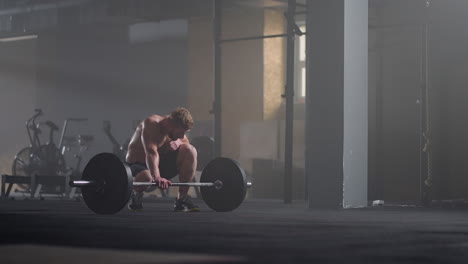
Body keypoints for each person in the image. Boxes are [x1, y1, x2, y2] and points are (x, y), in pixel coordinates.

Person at [125, 107, 199, 212]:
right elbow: (151, 152)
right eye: (181, 132)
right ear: (173, 125)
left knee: (190, 150)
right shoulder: (151, 124)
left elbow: (186, 144)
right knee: (147, 177)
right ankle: (136, 195)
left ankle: (182, 199)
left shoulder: (174, 132)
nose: (182, 136)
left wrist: (178, 142)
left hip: (158, 165)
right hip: (138, 165)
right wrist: (157, 177)